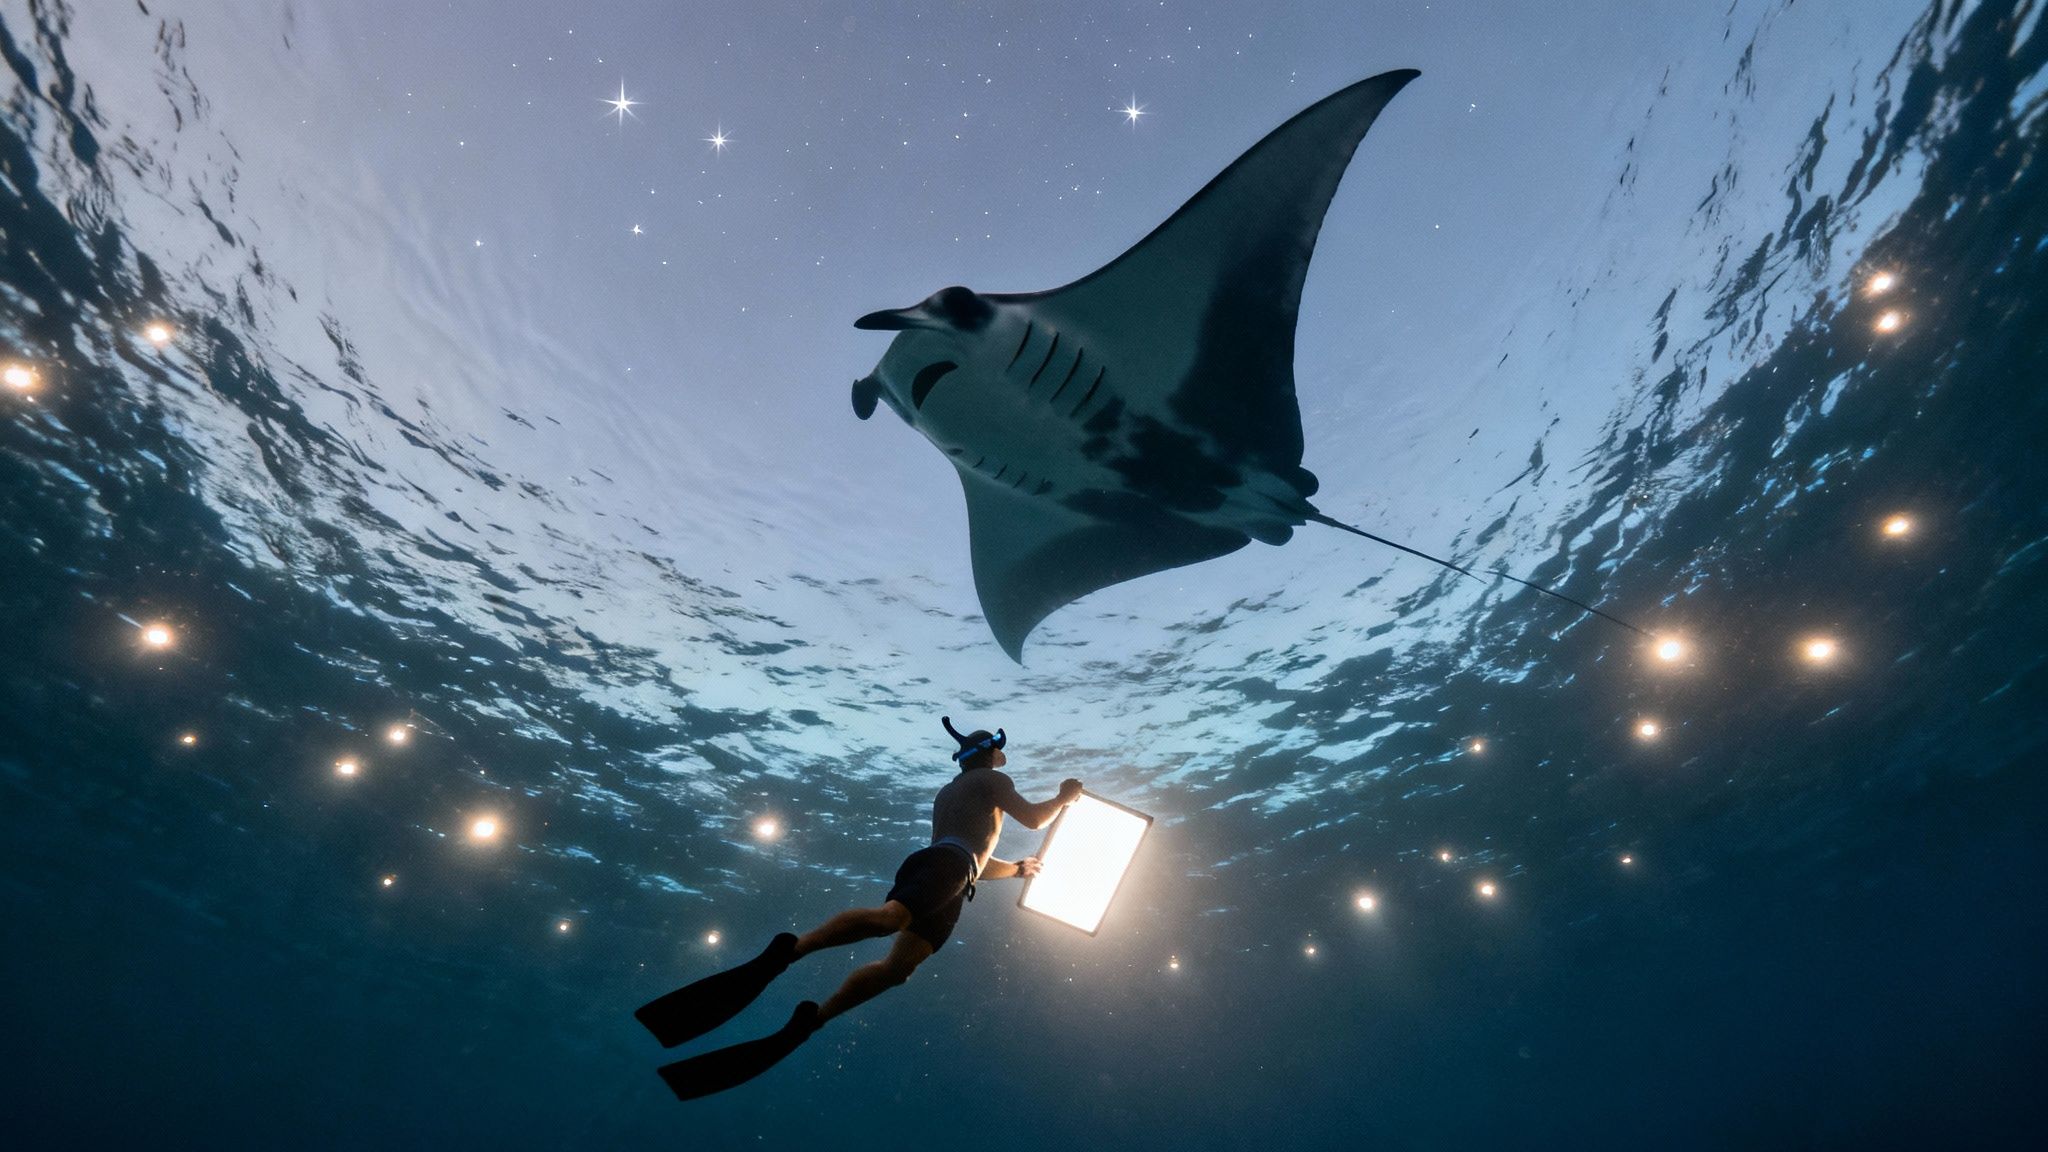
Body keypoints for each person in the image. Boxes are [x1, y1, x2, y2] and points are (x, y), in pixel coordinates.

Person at [635, 716, 1084, 1100]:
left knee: (899, 969)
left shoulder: (954, 792)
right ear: (989, 754)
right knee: (892, 920)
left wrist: (1018, 869)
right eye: (997, 755)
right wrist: (1063, 797)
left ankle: (813, 1019)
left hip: (955, 874)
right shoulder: (991, 780)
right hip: (946, 868)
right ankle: (790, 950)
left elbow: (976, 860)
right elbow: (1032, 818)